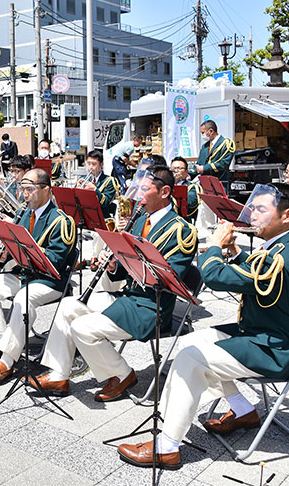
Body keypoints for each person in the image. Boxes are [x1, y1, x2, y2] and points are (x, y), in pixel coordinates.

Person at [116, 182, 289, 470]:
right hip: (263, 332)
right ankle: (243, 409)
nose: (252, 214)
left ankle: (167, 447)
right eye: (252, 207)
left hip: (277, 347)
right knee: (189, 343)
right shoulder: (283, 246)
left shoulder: (284, 255)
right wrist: (235, 252)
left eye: (261, 209)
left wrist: (215, 247)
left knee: (191, 358)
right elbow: (260, 272)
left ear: (287, 216)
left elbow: (217, 277)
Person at [27, 165, 197, 400]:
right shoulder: (140, 220)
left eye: (144, 189)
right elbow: (125, 272)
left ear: (164, 192)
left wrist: (131, 261)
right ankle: (58, 374)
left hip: (150, 308)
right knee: (67, 305)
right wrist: (114, 265)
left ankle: (122, 374)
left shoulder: (182, 230)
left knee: (82, 328)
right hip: (129, 299)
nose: (137, 194)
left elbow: (167, 280)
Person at [0, 168, 77, 383]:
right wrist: (5, 252)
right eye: (23, 189)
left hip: (49, 281)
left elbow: (56, 261)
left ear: (46, 190)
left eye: (30, 189)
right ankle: (3, 341)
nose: (25, 194)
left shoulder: (62, 221)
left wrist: (27, 251)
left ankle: (7, 360)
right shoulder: (23, 215)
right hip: (24, 276)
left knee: (24, 297)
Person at [187, 119, 235, 185]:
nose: (202, 135)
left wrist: (204, 168)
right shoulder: (205, 146)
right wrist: (190, 175)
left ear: (211, 131)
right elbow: (199, 164)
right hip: (205, 183)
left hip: (219, 182)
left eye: (203, 133)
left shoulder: (226, 144)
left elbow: (223, 164)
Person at [82, 150, 120, 220]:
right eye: (88, 164)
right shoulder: (83, 179)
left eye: (94, 164)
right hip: (86, 216)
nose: (90, 167)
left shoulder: (110, 180)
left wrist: (95, 189)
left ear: (101, 165)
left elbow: (105, 202)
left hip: (102, 218)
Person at [170, 156, 201, 223]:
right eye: (173, 169)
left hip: (182, 221)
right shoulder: (166, 185)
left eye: (179, 168)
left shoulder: (192, 187)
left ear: (186, 171)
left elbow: (190, 203)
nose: (176, 171)